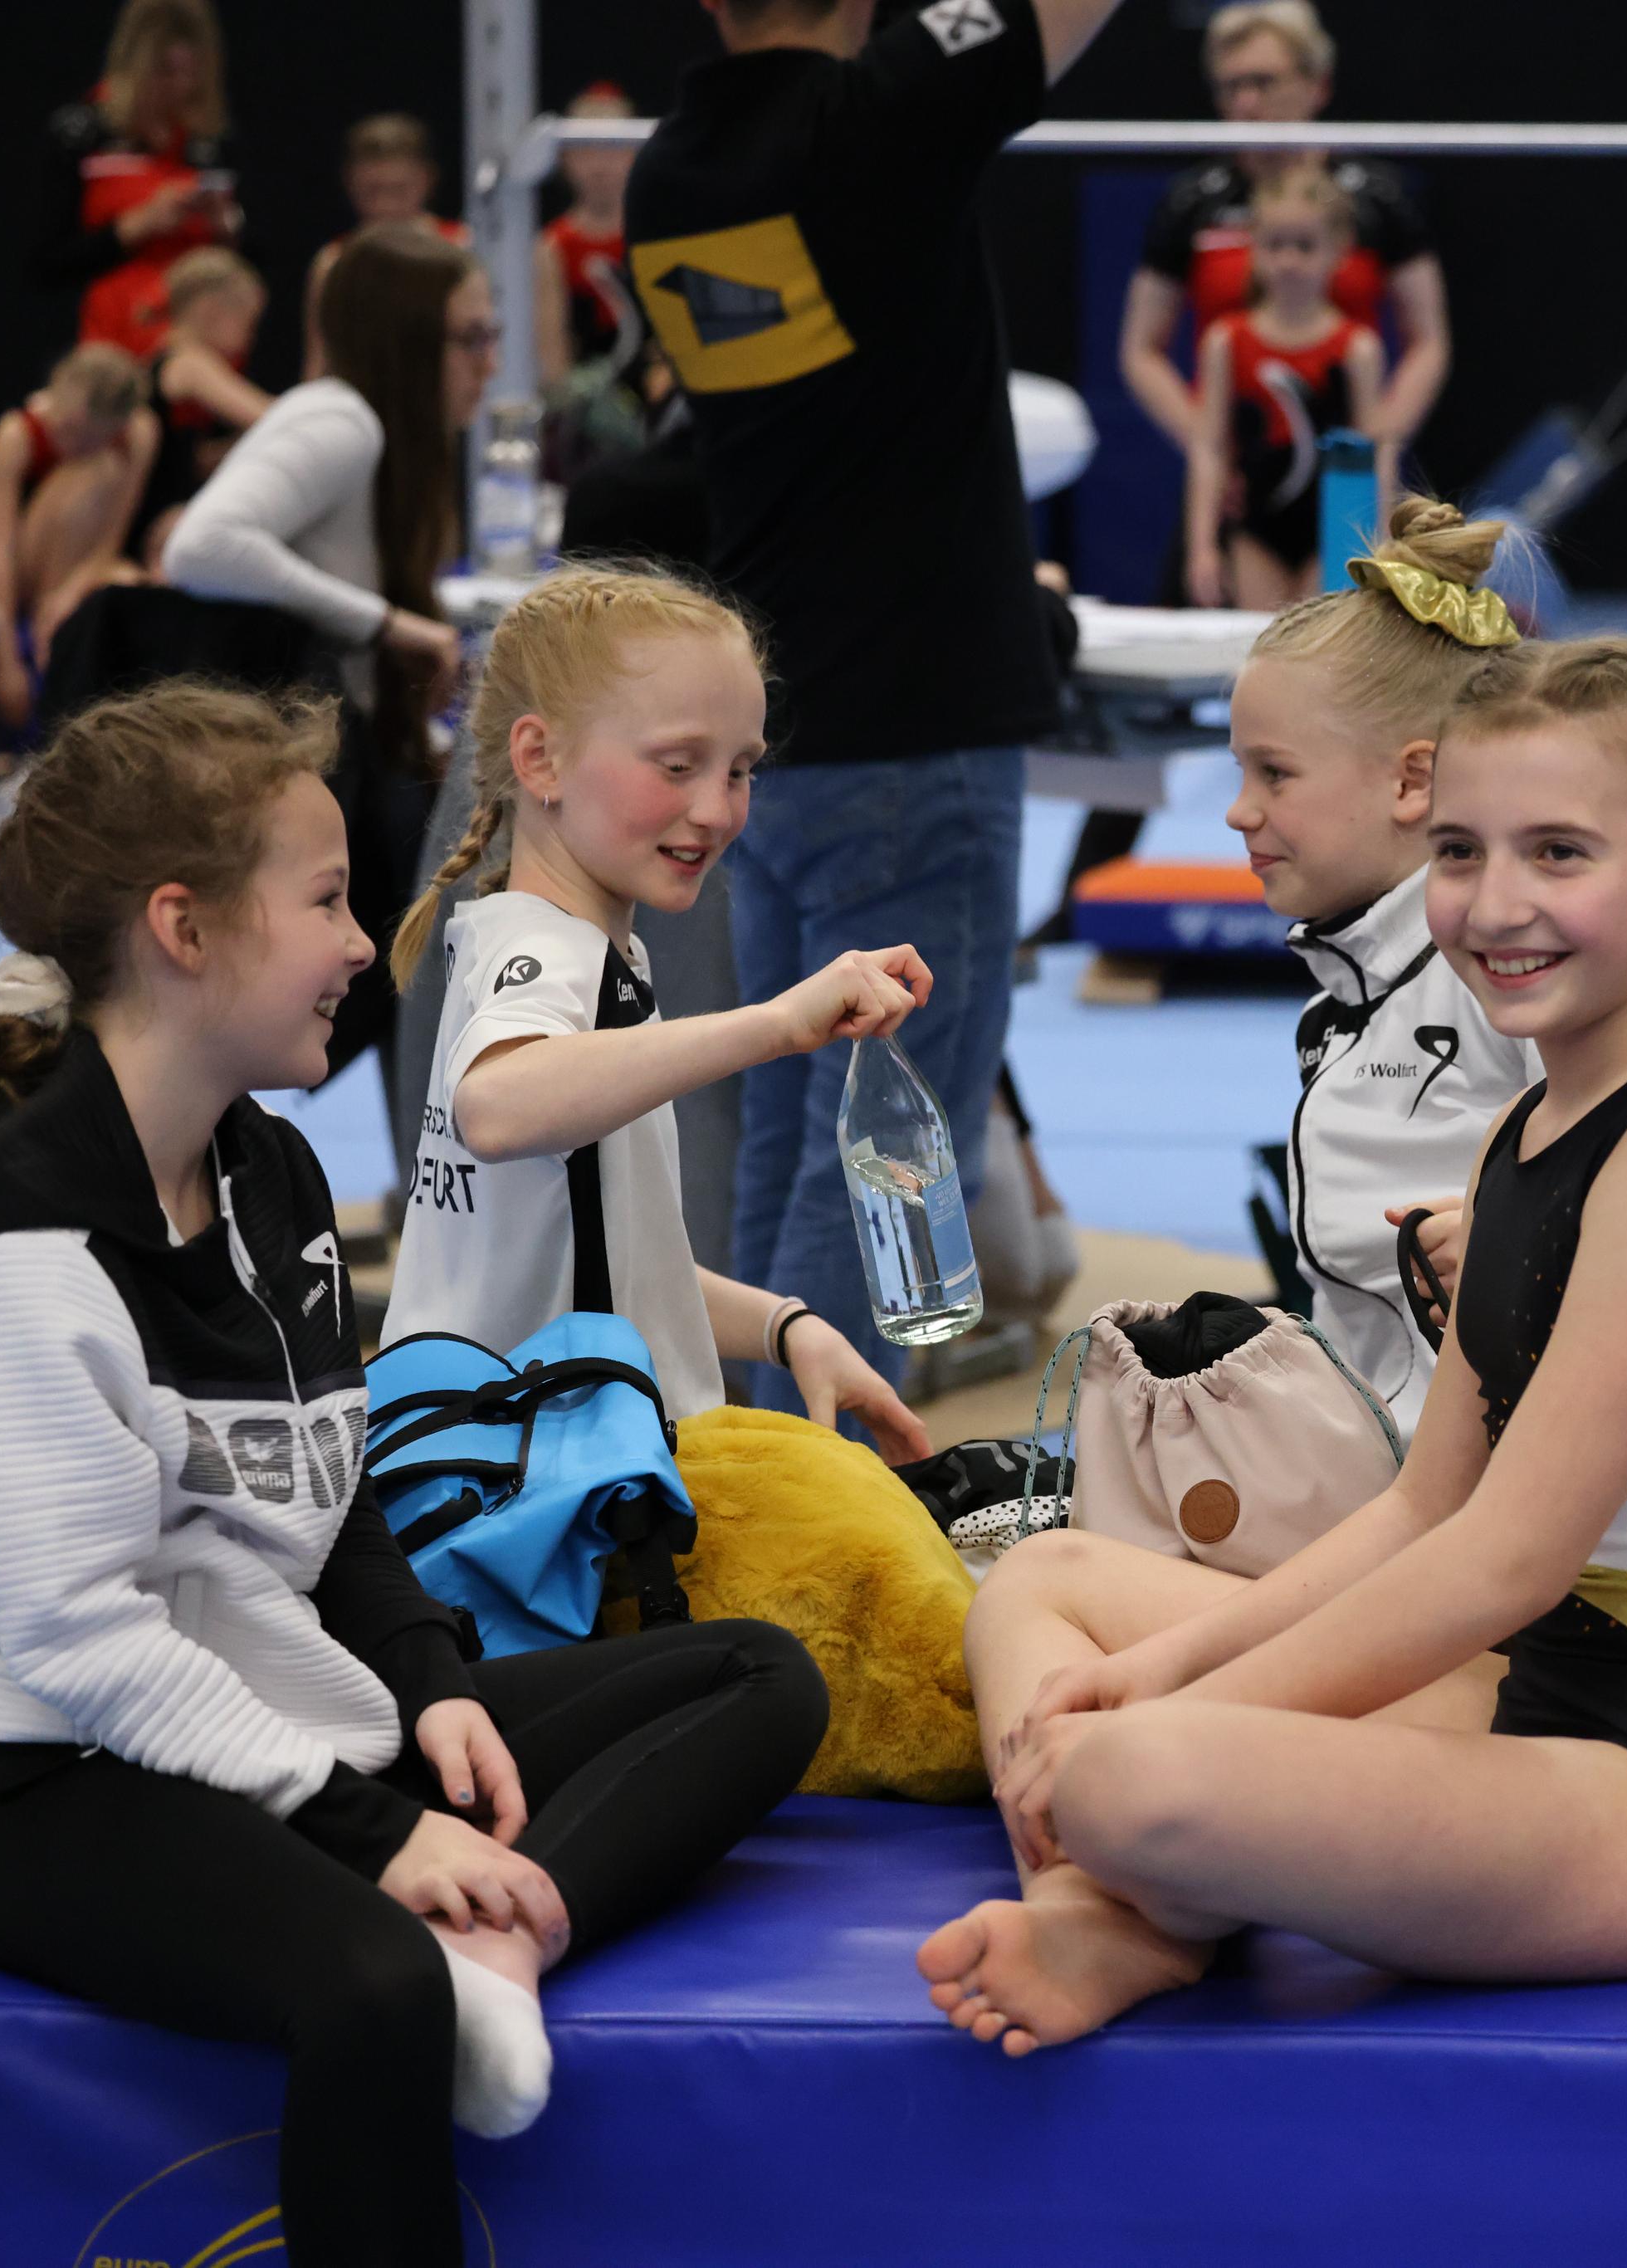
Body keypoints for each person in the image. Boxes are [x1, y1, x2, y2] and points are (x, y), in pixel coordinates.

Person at [0, 679, 828, 2268]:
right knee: (370, 1991)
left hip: (282, 1711)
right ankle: (445, 1946)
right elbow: (82, 1644)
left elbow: (334, 1482)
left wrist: (430, 1681)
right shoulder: (19, 1263)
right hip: (57, 1783)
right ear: (183, 928)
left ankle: (502, 1943)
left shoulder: (267, 1167)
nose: (359, 943)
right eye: (324, 901)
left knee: (759, 1677)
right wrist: (378, 1833)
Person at [916, 635, 1627, 2055]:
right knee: (1042, 1583)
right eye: (1462, 853)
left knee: (1130, 1778)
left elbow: (1508, 1557)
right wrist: (1161, 1670)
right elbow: (1425, 1506)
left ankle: (1125, 1889)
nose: (1496, 903)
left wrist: (1173, 1711)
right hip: (1521, 1693)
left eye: (1559, 853)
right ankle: (1121, 1912)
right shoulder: (1525, 1125)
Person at [628, 0, 1128, 1422]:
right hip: (911, 738)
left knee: (799, 1144)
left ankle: (750, 1477)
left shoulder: (671, 172)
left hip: (781, 738)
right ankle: (813, 1499)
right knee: (886, 1163)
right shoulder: (870, 126)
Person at [383, 564, 933, 1464]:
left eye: (741, 770)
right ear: (541, 759)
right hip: (541, 1497)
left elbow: (619, 1262)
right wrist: (777, 1024)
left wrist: (787, 1326)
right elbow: (497, 1106)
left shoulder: (579, 952)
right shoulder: (550, 957)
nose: (715, 809)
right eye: (678, 767)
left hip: (547, 1471)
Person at [1225, 496, 1536, 1425]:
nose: (1238, 810)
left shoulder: (1512, 972)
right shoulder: (1342, 1000)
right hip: (1376, 1444)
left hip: (1493, 1464)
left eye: (1274, 773)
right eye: (1239, 771)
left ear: (1412, 780)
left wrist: (1533, 1238)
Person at [164, 223, 486, 1098]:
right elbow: (200, 545)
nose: (489, 361)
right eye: (470, 337)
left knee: (414, 963)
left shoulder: (380, 433)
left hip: (336, 760)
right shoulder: (340, 421)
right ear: (408, 340)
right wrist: (390, 625)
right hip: (291, 769)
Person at [1121, 0, 1449, 465]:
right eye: (1230, 87)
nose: (1246, 103)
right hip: (1238, 466)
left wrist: (1379, 442)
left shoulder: (1376, 198)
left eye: (1263, 82)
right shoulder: (1192, 202)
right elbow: (1141, 350)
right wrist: (1208, 447)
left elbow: (1429, 341)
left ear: (1318, 85)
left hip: (1347, 461)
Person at [1185, 165, 1388, 611]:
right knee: (1263, 640)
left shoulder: (1357, 348)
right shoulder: (1226, 341)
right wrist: (1201, 547)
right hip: (1256, 529)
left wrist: (1383, 540)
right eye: (1275, 245)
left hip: (1332, 526)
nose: (1289, 260)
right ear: (1253, 247)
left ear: (1339, 250)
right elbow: (1209, 449)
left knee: (1322, 639)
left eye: (1305, 246)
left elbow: (1375, 452)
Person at [34, 0, 242, 355]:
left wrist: (227, 225)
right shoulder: (81, 133)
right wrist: (137, 225)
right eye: (165, 71)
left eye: (191, 72)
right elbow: (45, 265)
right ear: (134, 65)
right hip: (107, 342)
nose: (179, 86)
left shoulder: (211, 141)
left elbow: (257, 256)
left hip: (198, 343)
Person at [0, 341, 157, 732]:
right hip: (29, 575)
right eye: (66, 425)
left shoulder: (139, 431)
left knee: (135, 584)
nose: (67, 439)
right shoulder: (16, 434)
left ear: (115, 425)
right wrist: (7, 661)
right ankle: (48, 633)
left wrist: (70, 592)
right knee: (95, 471)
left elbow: (111, 540)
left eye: (85, 434)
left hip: (85, 565)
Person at [131, 246, 270, 573]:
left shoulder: (168, 356)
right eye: (249, 323)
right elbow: (271, 417)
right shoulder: (190, 363)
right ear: (212, 310)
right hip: (154, 526)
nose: (251, 339)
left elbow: (187, 459)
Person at [302, 116, 462, 379]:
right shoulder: (333, 264)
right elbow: (319, 365)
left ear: (427, 180)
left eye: (399, 190)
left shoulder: (464, 248)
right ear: (350, 182)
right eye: (373, 191)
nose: (385, 206)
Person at [538, 84, 646, 389]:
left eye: (612, 148)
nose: (599, 165)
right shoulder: (551, 247)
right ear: (565, 159)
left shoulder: (655, 237)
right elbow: (552, 363)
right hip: (583, 402)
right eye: (586, 151)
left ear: (635, 153)